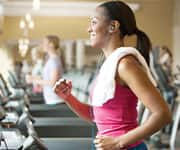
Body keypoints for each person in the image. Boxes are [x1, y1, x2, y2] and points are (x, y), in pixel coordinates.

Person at [54, 1, 171, 150]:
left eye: (94, 22)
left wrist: (119, 141)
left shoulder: (125, 65)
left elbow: (163, 114)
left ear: (113, 27)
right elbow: (96, 116)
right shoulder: (109, 66)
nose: (88, 29)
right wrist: (68, 97)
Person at [27, 35, 64, 105]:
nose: (42, 45)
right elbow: (48, 78)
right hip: (50, 99)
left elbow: (53, 82)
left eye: (44, 42)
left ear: (51, 44)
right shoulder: (50, 60)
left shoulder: (54, 60)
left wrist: (34, 80)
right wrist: (36, 79)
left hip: (55, 100)